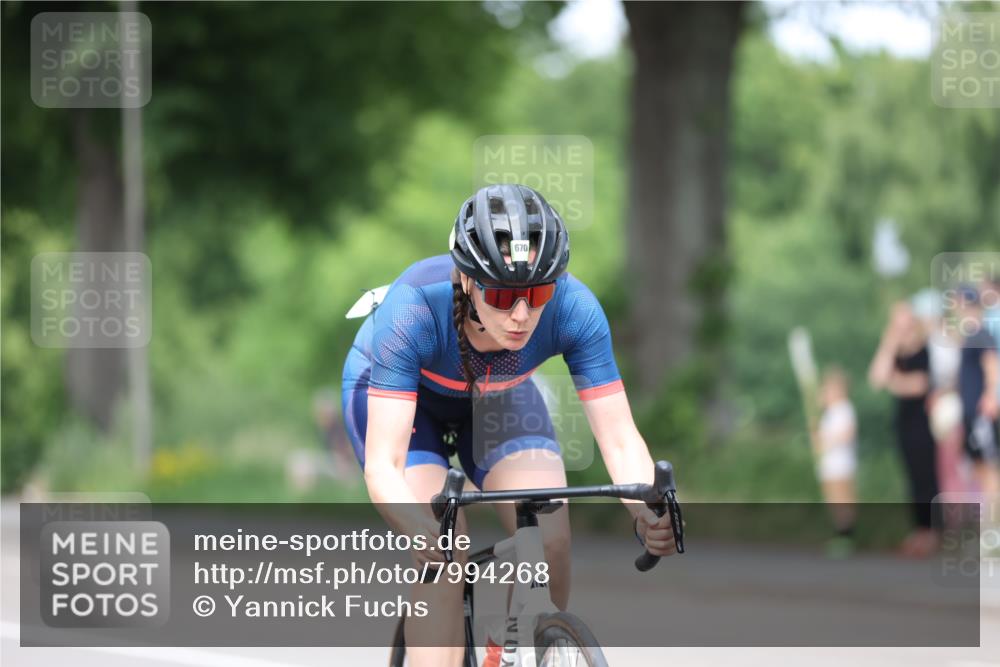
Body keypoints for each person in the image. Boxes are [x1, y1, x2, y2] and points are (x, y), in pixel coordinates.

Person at [340, 184, 675, 667]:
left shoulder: (574, 309)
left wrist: (645, 510)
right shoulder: (413, 307)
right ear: (467, 280)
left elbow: (620, 438)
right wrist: (417, 526)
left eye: (537, 294)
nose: (521, 316)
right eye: (501, 296)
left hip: (496, 396)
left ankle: (515, 646)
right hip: (402, 403)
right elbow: (384, 465)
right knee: (447, 549)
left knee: (550, 537)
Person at [868, 302, 940, 558]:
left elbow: (919, 385)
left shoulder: (926, 348)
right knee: (912, 479)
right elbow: (876, 378)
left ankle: (932, 531)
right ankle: (920, 530)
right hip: (903, 421)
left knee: (927, 479)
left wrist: (893, 381)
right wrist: (888, 344)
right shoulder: (895, 351)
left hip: (925, 422)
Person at [954, 285, 1000, 495]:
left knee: (990, 467)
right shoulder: (971, 335)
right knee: (979, 466)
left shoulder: (981, 334)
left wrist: (990, 396)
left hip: (981, 413)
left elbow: (992, 365)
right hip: (971, 412)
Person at [812, 366, 857, 558]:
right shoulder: (828, 413)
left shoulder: (844, 409)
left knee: (842, 500)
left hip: (841, 465)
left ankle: (846, 535)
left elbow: (847, 434)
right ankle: (838, 533)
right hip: (828, 465)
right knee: (832, 501)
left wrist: (828, 440)